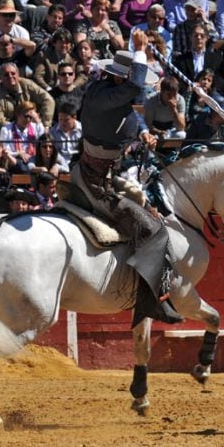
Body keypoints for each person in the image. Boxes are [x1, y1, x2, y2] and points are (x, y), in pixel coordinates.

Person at [74, 30, 180, 325]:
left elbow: (127, 112)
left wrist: (143, 130)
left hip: (102, 173)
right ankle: (151, 300)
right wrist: (140, 51)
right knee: (153, 230)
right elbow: (133, 89)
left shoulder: (102, 91)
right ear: (119, 77)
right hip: (98, 184)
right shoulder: (110, 93)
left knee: (144, 205)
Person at [0, 62, 56, 128]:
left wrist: (45, 125)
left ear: (18, 74)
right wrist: (17, 127)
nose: (10, 76)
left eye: (13, 73)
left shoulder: (27, 85)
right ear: (1, 77)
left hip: (33, 124)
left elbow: (48, 100)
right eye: (6, 75)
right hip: (10, 129)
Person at [172, 23, 224, 95]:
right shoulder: (181, 60)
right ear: (191, 37)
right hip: (189, 93)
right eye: (196, 35)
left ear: (207, 38)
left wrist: (209, 86)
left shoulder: (216, 58)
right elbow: (178, 81)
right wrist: (189, 87)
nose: (199, 38)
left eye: (202, 36)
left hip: (210, 94)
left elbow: (221, 79)